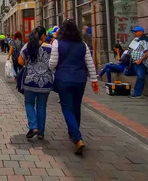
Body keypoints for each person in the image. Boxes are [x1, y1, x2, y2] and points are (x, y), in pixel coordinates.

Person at [50, 19, 99, 155]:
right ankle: (74, 133)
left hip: (63, 79)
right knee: (76, 107)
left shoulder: (57, 43)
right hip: (80, 79)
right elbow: (90, 63)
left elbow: (52, 63)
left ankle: (77, 138)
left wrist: (53, 69)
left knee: (66, 108)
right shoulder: (82, 44)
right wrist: (94, 79)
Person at [18, 26, 53, 140]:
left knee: (29, 104)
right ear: (43, 36)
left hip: (30, 81)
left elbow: (20, 61)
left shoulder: (28, 46)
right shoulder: (50, 48)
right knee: (41, 106)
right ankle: (41, 132)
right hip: (45, 81)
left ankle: (33, 127)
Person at [128, 26, 148, 99]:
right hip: (134, 62)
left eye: (136, 31)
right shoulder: (135, 40)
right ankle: (136, 92)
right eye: (134, 32)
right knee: (135, 74)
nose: (134, 33)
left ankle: (137, 93)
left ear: (141, 32)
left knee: (140, 77)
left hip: (140, 62)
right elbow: (130, 49)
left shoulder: (144, 41)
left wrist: (140, 60)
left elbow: (147, 53)